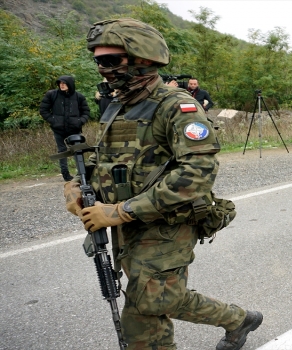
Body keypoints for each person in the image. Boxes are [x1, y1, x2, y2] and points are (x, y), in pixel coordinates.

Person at [65, 18, 262, 350]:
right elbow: (107, 160)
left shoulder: (177, 107)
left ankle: (238, 319)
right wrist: (75, 188)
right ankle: (238, 319)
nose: (102, 69)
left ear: (143, 58)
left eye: (110, 60)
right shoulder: (118, 107)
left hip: (168, 224)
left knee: (145, 310)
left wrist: (120, 211)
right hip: (129, 226)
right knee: (159, 298)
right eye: (98, 60)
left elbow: (197, 174)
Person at [39, 75, 90, 181]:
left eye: (64, 83)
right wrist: (53, 121)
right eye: (60, 83)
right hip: (58, 128)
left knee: (77, 150)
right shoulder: (52, 95)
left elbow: (86, 111)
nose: (61, 85)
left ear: (70, 84)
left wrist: (80, 122)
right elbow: (43, 110)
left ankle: (82, 174)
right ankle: (65, 174)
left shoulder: (78, 97)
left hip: (74, 128)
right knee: (62, 151)